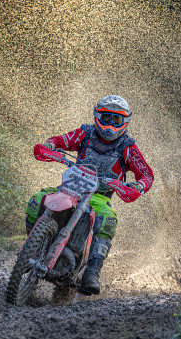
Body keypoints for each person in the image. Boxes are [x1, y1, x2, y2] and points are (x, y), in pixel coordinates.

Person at [24, 95, 154, 295]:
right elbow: (59, 140)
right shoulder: (84, 134)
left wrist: (138, 185)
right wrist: (50, 145)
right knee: (36, 200)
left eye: (116, 120)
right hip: (71, 187)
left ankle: (92, 273)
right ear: (97, 116)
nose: (110, 125)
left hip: (99, 196)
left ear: (125, 122)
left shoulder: (128, 148)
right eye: (106, 118)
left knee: (107, 220)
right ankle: (31, 249)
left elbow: (146, 174)